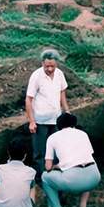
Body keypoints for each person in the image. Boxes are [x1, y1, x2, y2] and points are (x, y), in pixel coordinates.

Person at [42, 113, 101, 207]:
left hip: (73, 180)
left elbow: (48, 167)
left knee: (45, 177)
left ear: (58, 125)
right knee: (86, 169)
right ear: (74, 124)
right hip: (94, 177)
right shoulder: (83, 134)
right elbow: (85, 157)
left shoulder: (52, 138)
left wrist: (57, 166)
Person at [25, 49, 69, 178]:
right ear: (42, 63)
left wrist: (67, 111)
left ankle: (54, 175)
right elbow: (28, 99)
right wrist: (32, 121)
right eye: (47, 66)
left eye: (52, 66)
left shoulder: (59, 74)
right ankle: (41, 177)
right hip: (40, 121)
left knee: (56, 149)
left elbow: (62, 93)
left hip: (56, 119)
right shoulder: (36, 76)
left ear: (57, 64)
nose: (50, 69)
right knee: (40, 151)